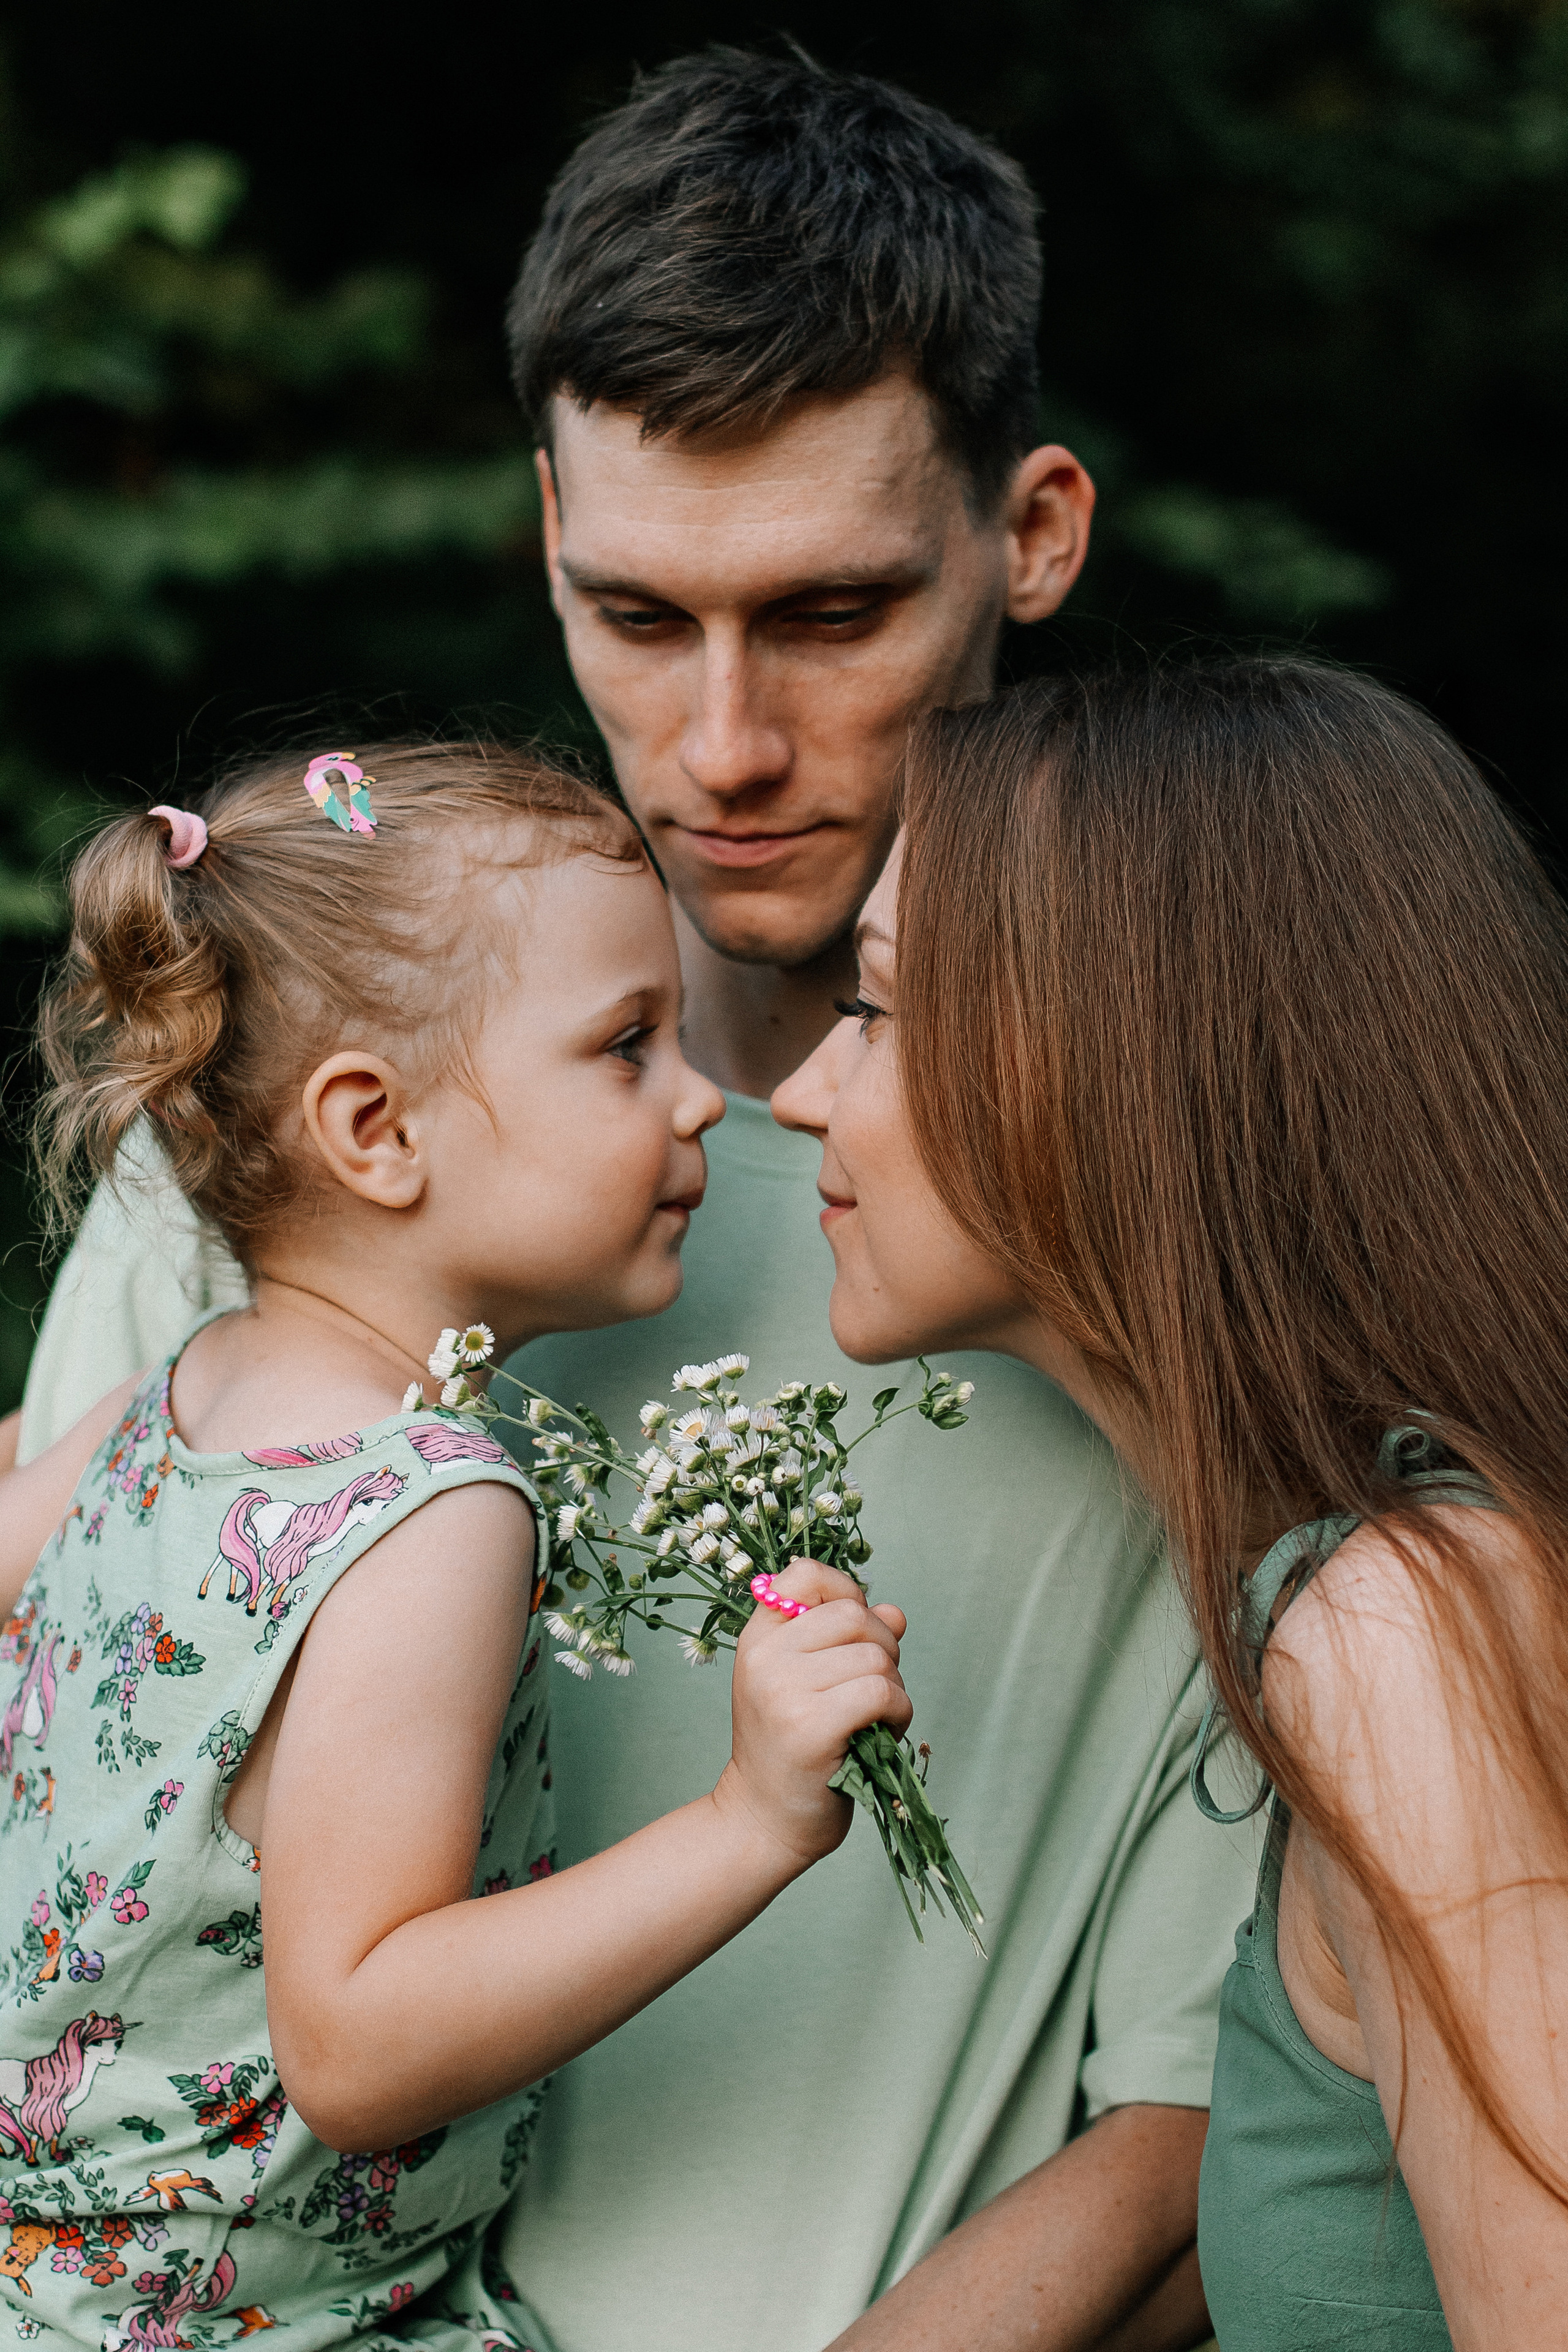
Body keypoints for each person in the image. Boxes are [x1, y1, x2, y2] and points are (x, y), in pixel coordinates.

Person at [15, 52, 1256, 2352]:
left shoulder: (1197, 1251)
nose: (722, 746)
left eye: (832, 612)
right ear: (545, 550)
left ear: (1040, 532)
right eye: (637, 618)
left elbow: (1215, 2115)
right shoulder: (299, 1136)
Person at [0, 748, 913, 2352]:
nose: (703, 1096)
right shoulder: (432, 1510)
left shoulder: (182, 1389)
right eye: (626, 1046)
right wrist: (750, 1821)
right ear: (377, 1129)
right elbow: (356, 2048)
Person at [775, 655, 1568, 2348]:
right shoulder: (1380, 1592)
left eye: (882, 1009)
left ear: (1128, 1066)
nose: (802, 1093)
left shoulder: (1405, 1628)